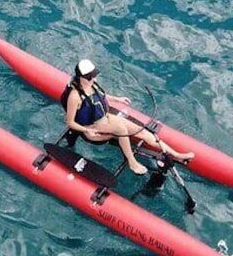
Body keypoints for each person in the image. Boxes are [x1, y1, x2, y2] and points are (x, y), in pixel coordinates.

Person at [61, 59, 194, 175]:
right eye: (90, 77)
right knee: (121, 130)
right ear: (81, 77)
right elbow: (70, 122)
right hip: (93, 129)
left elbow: (101, 97)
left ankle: (177, 155)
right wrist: (86, 130)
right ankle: (132, 162)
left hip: (106, 118)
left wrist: (117, 99)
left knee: (142, 131)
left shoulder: (92, 85)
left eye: (93, 76)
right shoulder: (75, 96)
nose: (93, 79)